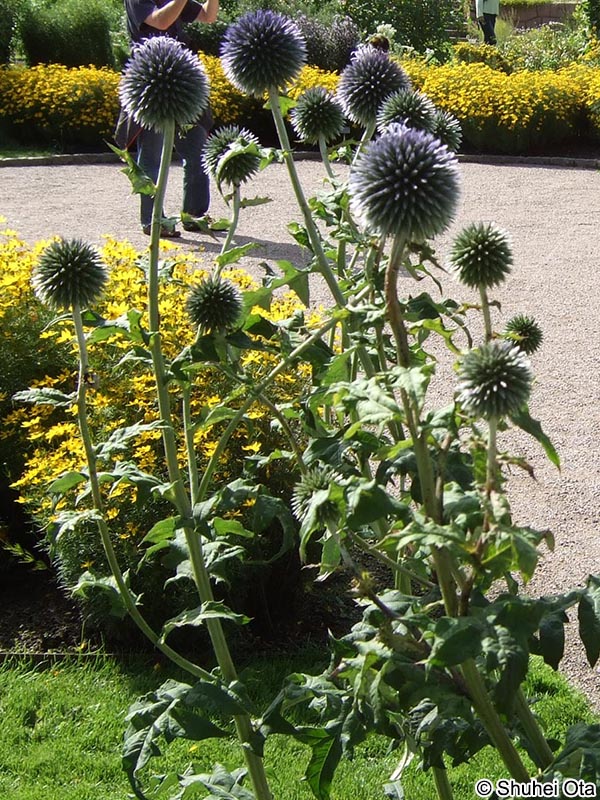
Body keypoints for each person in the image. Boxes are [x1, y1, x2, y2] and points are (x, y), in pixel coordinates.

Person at [122, 0, 219, 237]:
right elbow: (161, 21)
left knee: (197, 149)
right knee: (152, 156)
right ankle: (153, 219)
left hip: (183, 80)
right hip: (152, 80)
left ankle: (194, 214)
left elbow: (208, 16)